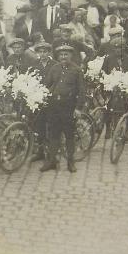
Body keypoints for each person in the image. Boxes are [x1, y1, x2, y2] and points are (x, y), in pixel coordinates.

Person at [42, 44, 85, 173]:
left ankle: (70, 162)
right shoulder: (54, 69)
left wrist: (78, 108)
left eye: (66, 54)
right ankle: (51, 161)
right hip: (54, 106)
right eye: (61, 55)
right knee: (53, 134)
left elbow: (82, 91)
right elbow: (46, 84)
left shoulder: (77, 70)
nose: (63, 57)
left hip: (69, 107)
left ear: (71, 55)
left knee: (69, 135)